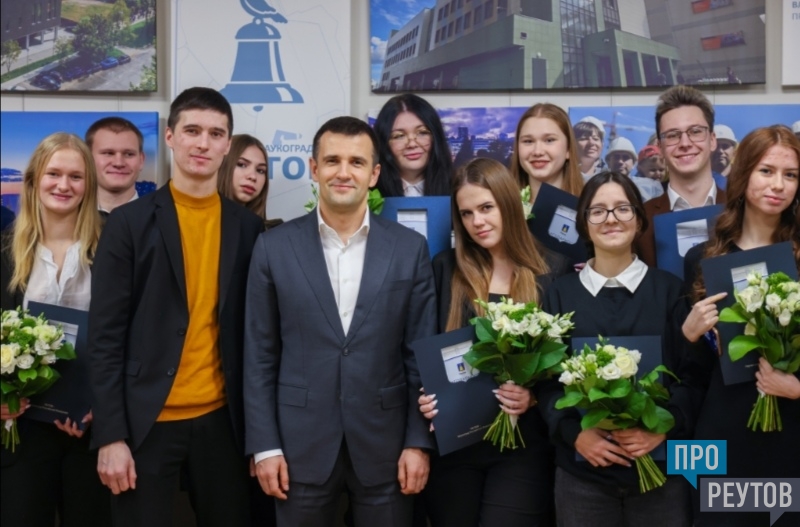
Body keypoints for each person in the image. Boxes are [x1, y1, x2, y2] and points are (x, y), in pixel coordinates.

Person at [243, 116, 437, 527]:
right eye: (332, 161)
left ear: (374, 174)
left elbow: (419, 354)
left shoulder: (409, 249)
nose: (344, 172)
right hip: (297, 449)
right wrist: (265, 446)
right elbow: (259, 355)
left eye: (356, 162)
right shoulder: (273, 247)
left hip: (387, 448)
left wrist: (418, 443)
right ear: (314, 169)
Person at [87, 87, 264, 527]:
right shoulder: (128, 223)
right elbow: (105, 337)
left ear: (227, 144)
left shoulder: (248, 228)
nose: (203, 143)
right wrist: (111, 435)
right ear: (170, 136)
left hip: (223, 423)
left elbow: (257, 336)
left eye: (215, 134)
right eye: (192, 131)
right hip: (145, 423)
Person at [537, 172, 699, 527]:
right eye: (598, 211)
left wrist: (662, 429)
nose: (611, 219)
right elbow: (547, 384)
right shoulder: (560, 294)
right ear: (584, 224)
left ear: (639, 219)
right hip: (582, 477)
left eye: (622, 209)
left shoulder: (670, 291)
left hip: (661, 474)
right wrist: (576, 435)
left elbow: (691, 376)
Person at [418, 158, 558, 527]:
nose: (476, 222)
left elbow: (564, 362)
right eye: (466, 213)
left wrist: (533, 397)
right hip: (455, 445)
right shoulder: (445, 268)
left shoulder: (550, 271)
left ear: (508, 204)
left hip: (522, 445)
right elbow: (424, 348)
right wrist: (426, 396)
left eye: (486, 208)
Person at [682, 125, 800, 527]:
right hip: (722, 433)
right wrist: (690, 335)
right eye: (766, 171)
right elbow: (690, 375)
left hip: (791, 435)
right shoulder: (702, 257)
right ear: (743, 173)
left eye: (790, 175)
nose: (778, 185)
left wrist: (797, 388)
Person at [0, 133, 109, 527]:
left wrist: (106, 409)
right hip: (21, 428)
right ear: (33, 180)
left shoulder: (114, 245)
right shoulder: (4, 249)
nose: (64, 185)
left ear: (88, 185)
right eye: (54, 174)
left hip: (93, 429)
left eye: (76, 177)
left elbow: (133, 333)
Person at [636, 85, 727, 267]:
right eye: (672, 135)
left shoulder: (740, 210)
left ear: (712, 140)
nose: (685, 143)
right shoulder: (641, 220)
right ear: (660, 148)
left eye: (696, 131)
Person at [373, 94, 453, 197]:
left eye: (422, 132)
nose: (412, 144)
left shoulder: (458, 189)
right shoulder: (367, 193)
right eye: (399, 136)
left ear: (435, 137)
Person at [511, 103, 583, 205]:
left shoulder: (590, 206)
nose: (537, 152)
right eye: (528, 141)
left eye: (549, 140)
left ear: (568, 149)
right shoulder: (501, 208)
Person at [218, 133, 283, 229]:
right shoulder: (200, 221)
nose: (253, 176)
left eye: (260, 170)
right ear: (224, 166)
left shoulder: (275, 231)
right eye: (242, 165)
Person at [85, 116, 146, 216]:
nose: (119, 163)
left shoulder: (164, 219)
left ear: (141, 160)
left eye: (129, 154)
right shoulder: (69, 218)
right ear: (88, 158)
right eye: (108, 153)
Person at [573, 116, 606, 181]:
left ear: (602, 145)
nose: (591, 143)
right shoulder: (562, 177)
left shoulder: (607, 179)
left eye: (595, 139)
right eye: (584, 138)